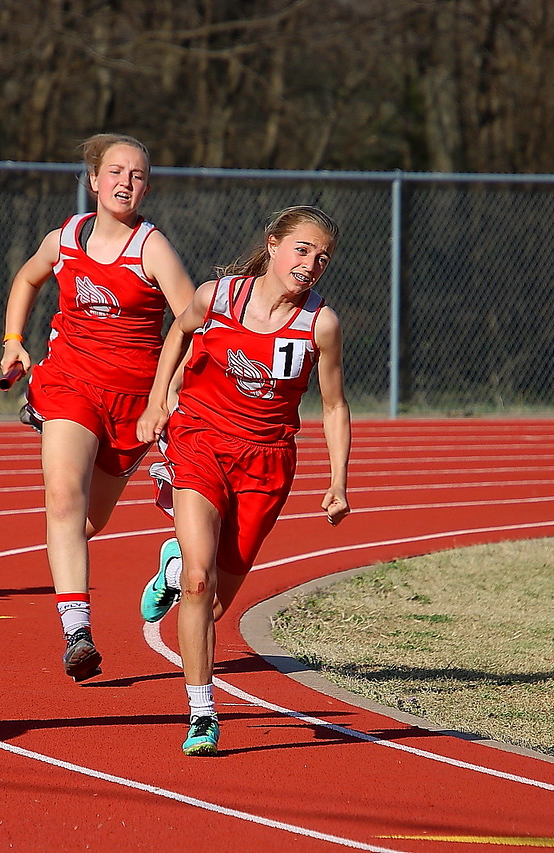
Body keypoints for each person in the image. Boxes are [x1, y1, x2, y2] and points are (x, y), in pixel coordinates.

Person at [135, 205, 351, 756]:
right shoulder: (218, 297)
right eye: (301, 249)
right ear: (273, 244)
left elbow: (333, 405)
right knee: (200, 585)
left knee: (210, 607)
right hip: (200, 440)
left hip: (266, 463)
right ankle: (202, 713)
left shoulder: (319, 325)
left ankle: (175, 563)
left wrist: (338, 481)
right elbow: (176, 337)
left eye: (321, 257)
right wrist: (160, 401)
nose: (310, 264)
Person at [1, 133, 195, 682]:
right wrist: (14, 340)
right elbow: (27, 277)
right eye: (114, 172)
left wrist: (167, 393)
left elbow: (193, 325)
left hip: (133, 404)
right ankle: (77, 631)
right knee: (63, 498)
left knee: (87, 521)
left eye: (135, 175)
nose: (124, 183)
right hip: (69, 384)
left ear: (146, 187)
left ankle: (162, 571)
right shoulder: (66, 237)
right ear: (93, 180)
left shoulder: (152, 248)